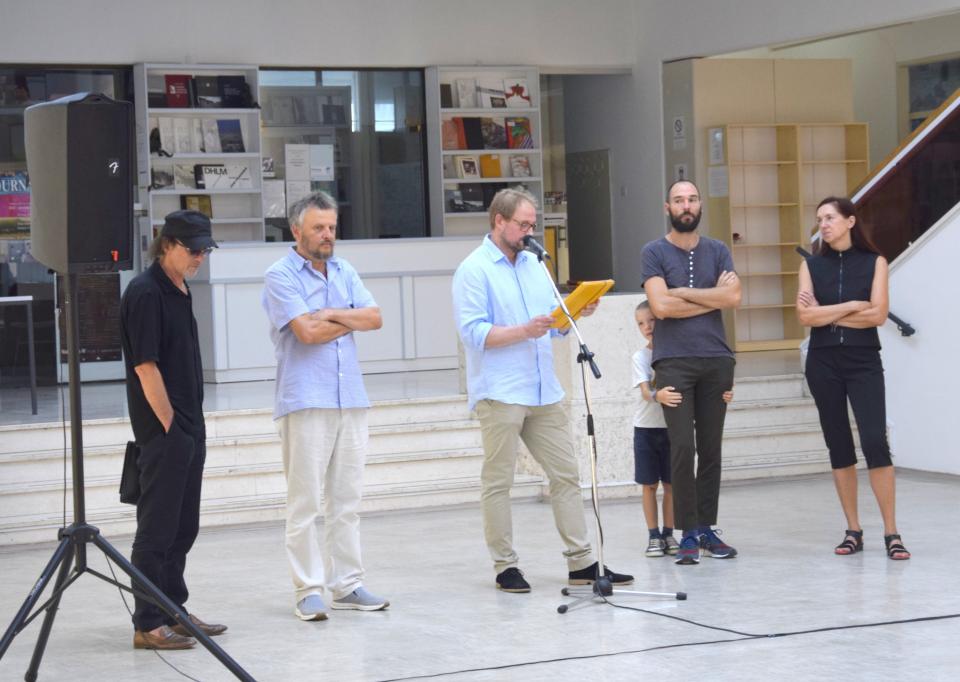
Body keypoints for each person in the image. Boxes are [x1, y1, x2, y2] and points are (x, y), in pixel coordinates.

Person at [452, 187, 633, 593]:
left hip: (543, 390)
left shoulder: (536, 265)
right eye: (523, 225)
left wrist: (575, 311)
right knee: (499, 481)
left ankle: (582, 563)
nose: (530, 233)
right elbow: (473, 334)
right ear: (499, 221)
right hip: (501, 391)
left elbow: (554, 326)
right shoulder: (473, 269)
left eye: (533, 224)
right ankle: (505, 566)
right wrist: (523, 331)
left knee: (566, 474)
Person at [261, 191, 390, 622]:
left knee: (346, 500)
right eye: (318, 227)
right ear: (296, 230)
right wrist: (349, 318)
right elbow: (307, 334)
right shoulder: (280, 275)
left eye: (332, 227)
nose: (327, 235)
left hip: (350, 397)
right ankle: (308, 590)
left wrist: (329, 313)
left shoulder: (345, 270)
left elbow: (375, 318)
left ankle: (348, 585)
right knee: (304, 503)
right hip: (305, 398)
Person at [119, 210, 226, 650]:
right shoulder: (146, 292)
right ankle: (148, 622)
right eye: (193, 249)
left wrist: (190, 428)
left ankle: (172, 609)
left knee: (184, 527)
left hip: (189, 426)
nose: (200, 257)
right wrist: (170, 426)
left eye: (205, 250)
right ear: (167, 245)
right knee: (157, 530)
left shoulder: (180, 288)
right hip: (165, 431)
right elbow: (146, 367)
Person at [796, 197, 910, 560]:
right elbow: (805, 317)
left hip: (863, 361)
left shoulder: (876, 262)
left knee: (875, 441)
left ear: (849, 221)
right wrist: (850, 306)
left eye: (830, 218)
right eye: (819, 219)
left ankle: (891, 532)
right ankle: (853, 530)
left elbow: (877, 315)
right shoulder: (811, 265)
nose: (823, 225)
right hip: (823, 363)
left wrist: (826, 313)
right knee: (839, 445)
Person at [641, 180, 741, 565]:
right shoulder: (653, 252)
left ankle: (706, 528)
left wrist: (680, 292)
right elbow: (660, 308)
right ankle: (686, 532)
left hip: (717, 359)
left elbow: (733, 297)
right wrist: (711, 297)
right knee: (683, 447)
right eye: (679, 200)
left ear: (700, 205)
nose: (687, 205)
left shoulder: (718, 250)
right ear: (667, 207)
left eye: (693, 199)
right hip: (673, 362)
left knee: (711, 448)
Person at [632, 301, 733, 558]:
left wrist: (720, 391)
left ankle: (695, 531)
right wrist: (657, 395)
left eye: (651, 320)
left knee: (701, 459)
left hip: (678, 416)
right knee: (661, 474)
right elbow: (645, 392)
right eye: (641, 323)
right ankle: (671, 534)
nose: (647, 327)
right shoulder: (643, 357)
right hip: (649, 426)